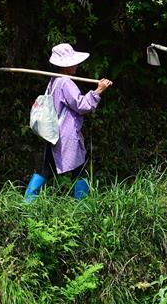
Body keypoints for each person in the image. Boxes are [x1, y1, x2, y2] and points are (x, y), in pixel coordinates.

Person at [23, 43, 112, 201]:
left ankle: (27, 201)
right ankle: (82, 204)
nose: (76, 65)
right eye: (73, 63)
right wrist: (99, 90)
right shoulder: (65, 82)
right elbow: (82, 106)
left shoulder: (54, 80)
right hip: (65, 134)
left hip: (54, 132)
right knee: (80, 169)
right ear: (65, 65)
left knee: (45, 169)